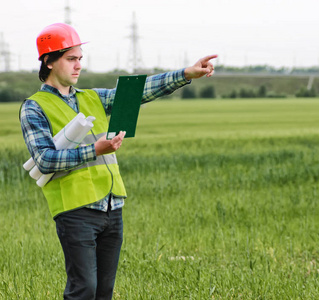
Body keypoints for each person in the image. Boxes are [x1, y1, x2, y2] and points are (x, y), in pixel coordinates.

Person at [19, 22, 216, 300]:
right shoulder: (34, 107)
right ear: (49, 61)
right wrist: (95, 150)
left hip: (112, 208)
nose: (78, 66)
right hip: (75, 211)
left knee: (103, 292)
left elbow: (140, 92)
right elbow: (45, 160)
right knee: (84, 289)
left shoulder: (93, 98)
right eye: (71, 59)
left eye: (80, 59)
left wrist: (186, 74)